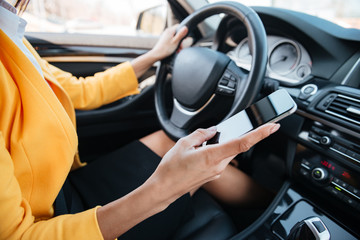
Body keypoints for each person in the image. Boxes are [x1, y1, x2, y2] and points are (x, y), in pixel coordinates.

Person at [0, 0, 280, 239]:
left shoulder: (9, 31)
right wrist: (164, 189)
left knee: (172, 140)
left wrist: (154, 56)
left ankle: (275, 200)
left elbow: (78, 89)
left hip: (59, 187)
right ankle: (279, 205)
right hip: (55, 221)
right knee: (202, 160)